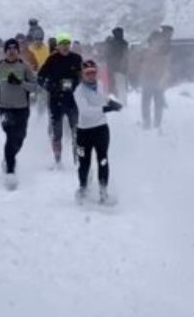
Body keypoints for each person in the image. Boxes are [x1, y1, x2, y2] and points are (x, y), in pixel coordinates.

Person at [0, 38, 39, 188]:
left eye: (14, 49)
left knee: (20, 138)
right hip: (5, 108)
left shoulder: (24, 66)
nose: (11, 52)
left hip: (22, 107)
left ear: (18, 52)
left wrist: (20, 83)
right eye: (9, 49)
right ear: (5, 52)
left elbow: (35, 87)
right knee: (11, 135)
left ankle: (9, 158)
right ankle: (10, 171)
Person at [73, 59, 123, 203]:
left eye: (93, 72)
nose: (91, 75)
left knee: (103, 159)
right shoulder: (78, 91)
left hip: (101, 129)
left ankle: (103, 192)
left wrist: (111, 102)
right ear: (82, 74)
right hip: (83, 132)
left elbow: (103, 97)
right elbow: (85, 111)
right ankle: (82, 187)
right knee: (84, 163)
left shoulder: (100, 84)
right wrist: (105, 109)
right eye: (87, 73)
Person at [38, 33, 83, 167]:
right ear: (57, 46)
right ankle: (58, 159)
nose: (65, 47)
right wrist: (51, 87)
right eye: (62, 44)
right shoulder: (52, 60)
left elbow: (82, 76)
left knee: (77, 131)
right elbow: (40, 78)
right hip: (55, 100)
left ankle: (79, 158)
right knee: (57, 133)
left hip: (72, 100)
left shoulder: (76, 58)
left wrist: (75, 85)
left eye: (67, 44)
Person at [139, 31, 171, 130]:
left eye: (158, 40)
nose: (157, 42)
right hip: (147, 79)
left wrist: (164, 78)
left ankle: (157, 122)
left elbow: (166, 67)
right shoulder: (146, 52)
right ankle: (147, 121)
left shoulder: (163, 52)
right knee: (146, 102)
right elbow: (140, 64)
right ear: (151, 41)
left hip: (157, 80)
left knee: (157, 103)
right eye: (155, 40)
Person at [103, 27, 129, 103]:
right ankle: (122, 101)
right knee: (121, 86)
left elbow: (107, 54)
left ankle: (114, 101)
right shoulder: (125, 43)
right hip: (121, 68)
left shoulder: (111, 43)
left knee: (113, 85)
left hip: (113, 67)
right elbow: (126, 56)